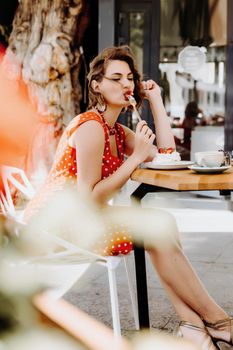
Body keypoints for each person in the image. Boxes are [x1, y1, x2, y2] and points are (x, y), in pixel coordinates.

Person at [23, 46, 232, 349]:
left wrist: (156, 101)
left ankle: (193, 327)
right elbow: (88, 199)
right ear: (97, 85)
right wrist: (133, 162)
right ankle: (217, 322)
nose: (126, 84)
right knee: (156, 226)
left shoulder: (117, 130)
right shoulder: (91, 127)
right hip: (57, 224)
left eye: (130, 78)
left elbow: (166, 154)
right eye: (116, 78)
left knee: (161, 224)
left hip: (84, 216)